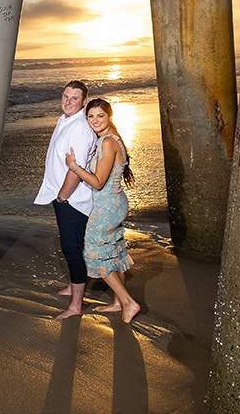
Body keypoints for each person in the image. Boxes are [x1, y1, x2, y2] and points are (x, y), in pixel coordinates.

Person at [65, 98, 140, 323]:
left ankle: (128, 302)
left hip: (107, 207)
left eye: (100, 116)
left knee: (94, 254)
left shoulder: (107, 142)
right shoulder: (112, 139)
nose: (95, 120)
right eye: (90, 116)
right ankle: (118, 302)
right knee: (113, 251)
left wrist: (74, 166)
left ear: (109, 117)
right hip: (114, 204)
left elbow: (97, 182)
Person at [34, 80, 98, 319]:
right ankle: (73, 285)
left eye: (74, 98)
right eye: (65, 96)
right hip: (62, 196)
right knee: (68, 246)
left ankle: (76, 306)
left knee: (73, 250)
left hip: (72, 200)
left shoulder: (80, 127)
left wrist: (62, 197)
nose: (68, 102)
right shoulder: (65, 119)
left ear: (83, 102)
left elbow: (76, 168)